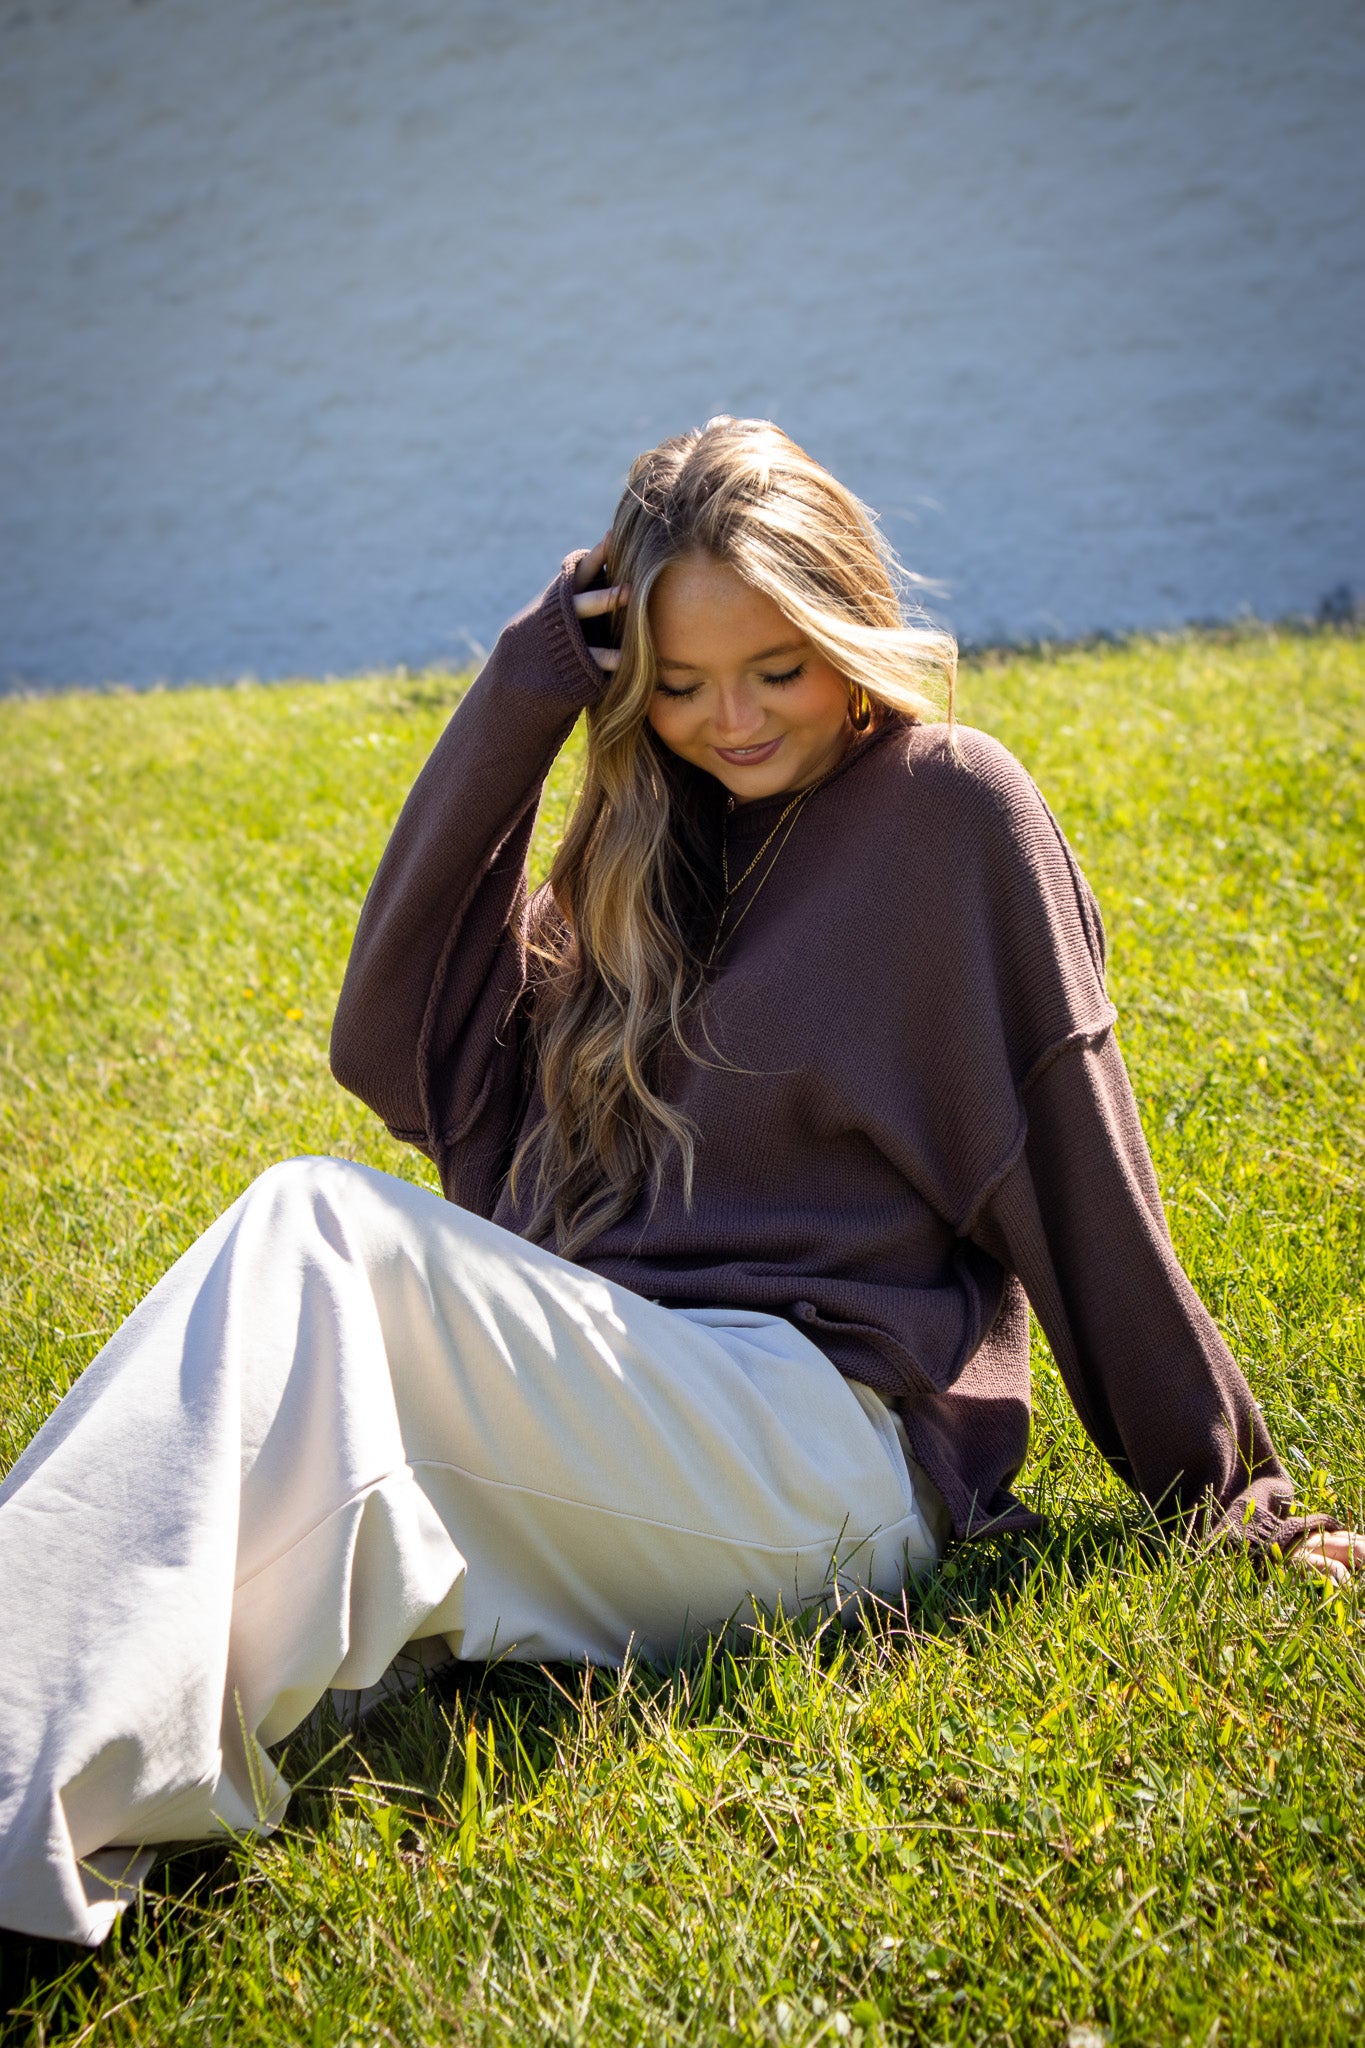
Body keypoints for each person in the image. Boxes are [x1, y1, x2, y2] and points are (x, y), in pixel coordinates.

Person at [0, 418, 1358, 1947]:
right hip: (640, 1418)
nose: (731, 721)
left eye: (776, 667)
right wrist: (524, 697)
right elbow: (394, 1042)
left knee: (315, 1236)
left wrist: (1225, 1487)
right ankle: (41, 1768)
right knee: (289, 1283)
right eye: (681, 681)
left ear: (849, 627)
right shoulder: (640, 854)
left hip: (826, 1446)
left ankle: (15, 1802)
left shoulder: (948, 810)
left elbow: (1073, 1152)